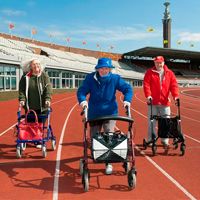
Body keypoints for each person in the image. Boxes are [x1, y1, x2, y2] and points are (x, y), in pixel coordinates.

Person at [77, 57, 133, 175]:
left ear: (110, 69)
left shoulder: (115, 78)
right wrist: (83, 101)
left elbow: (127, 88)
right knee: (95, 138)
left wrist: (127, 100)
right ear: (97, 69)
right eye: (101, 68)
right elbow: (81, 91)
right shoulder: (90, 78)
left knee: (109, 136)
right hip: (95, 113)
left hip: (110, 112)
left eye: (106, 68)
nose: (104, 71)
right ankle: (96, 155)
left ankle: (109, 162)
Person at [143, 55, 179, 148]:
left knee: (166, 122)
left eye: (160, 62)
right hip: (153, 102)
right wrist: (148, 95)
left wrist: (175, 96)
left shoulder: (169, 73)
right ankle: (151, 139)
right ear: (154, 63)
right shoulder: (149, 72)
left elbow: (173, 86)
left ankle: (165, 140)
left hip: (165, 102)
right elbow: (146, 85)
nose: (159, 64)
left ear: (163, 63)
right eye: (157, 62)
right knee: (152, 122)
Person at [18, 58, 52, 148]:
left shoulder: (44, 76)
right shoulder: (26, 77)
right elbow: (21, 89)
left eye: (38, 64)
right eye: (34, 64)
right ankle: (27, 139)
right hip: (30, 106)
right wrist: (22, 99)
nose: (36, 66)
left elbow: (48, 88)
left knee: (39, 124)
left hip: (42, 107)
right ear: (30, 66)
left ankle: (38, 140)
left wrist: (47, 99)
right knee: (30, 123)